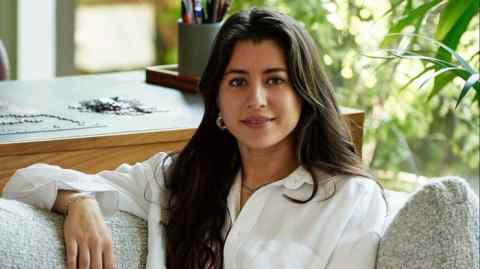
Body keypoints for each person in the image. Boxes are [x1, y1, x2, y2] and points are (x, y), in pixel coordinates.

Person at [3, 8, 387, 269]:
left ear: (304, 94)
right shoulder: (177, 178)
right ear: (217, 98)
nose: (255, 100)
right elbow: (24, 183)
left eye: (275, 80)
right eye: (237, 81)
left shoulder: (350, 199)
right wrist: (80, 201)